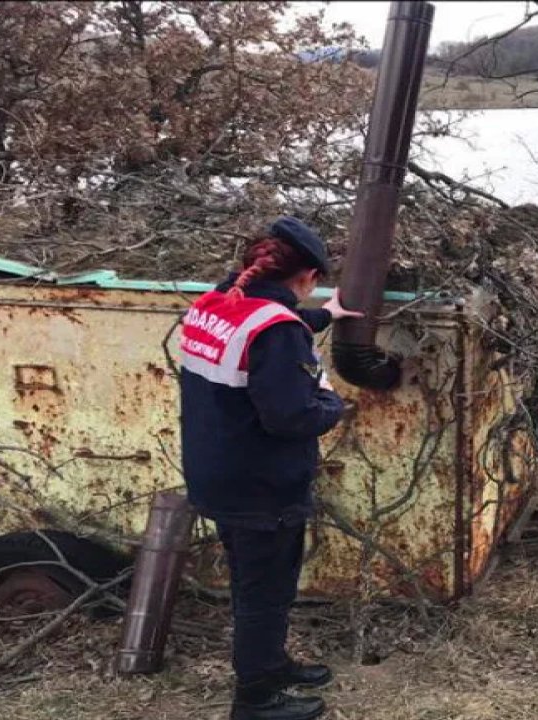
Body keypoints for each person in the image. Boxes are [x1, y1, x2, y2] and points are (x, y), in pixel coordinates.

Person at [179, 216, 362, 720]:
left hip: (218, 470)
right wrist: (334, 404)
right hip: (262, 484)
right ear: (304, 278)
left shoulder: (216, 304)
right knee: (266, 588)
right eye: (314, 285)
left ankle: (270, 664)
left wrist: (323, 317)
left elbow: (259, 340)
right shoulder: (274, 329)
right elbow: (292, 416)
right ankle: (255, 699)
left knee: (252, 580)